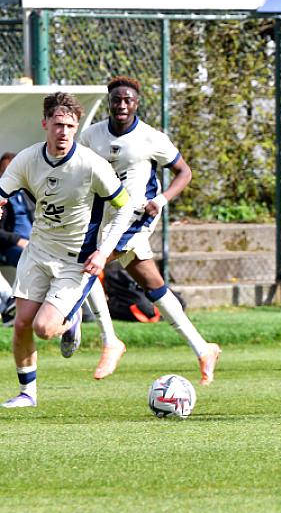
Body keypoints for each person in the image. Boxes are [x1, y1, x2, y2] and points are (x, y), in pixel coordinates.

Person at [80, 76, 221, 383]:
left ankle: (108, 341)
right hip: (104, 218)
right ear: (109, 101)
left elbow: (184, 172)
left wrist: (162, 199)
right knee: (154, 287)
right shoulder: (91, 136)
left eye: (127, 100)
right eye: (116, 99)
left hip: (136, 218)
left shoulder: (151, 138)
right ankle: (203, 348)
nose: (121, 105)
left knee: (89, 264)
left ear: (137, 103)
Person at [0, 93, 137, 408]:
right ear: (45, 124)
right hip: (37, 251)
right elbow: (2, 190)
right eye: (58, 125)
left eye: (70, 126)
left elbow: (125, 208)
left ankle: (71, 320)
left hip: (75, 259)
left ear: (76, 128)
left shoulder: (91, 165)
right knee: (21, 324)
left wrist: (104, 251)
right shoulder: (27, 158)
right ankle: (27, 394)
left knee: (44, 328)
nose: (63, 132)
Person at [0, 152, 33, 323]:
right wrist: (18, 241)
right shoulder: (1, 195)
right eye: (5, 171)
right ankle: (12, 304)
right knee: (27, 257)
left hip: (32, 243)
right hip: (7, 247)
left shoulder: (26, 192)